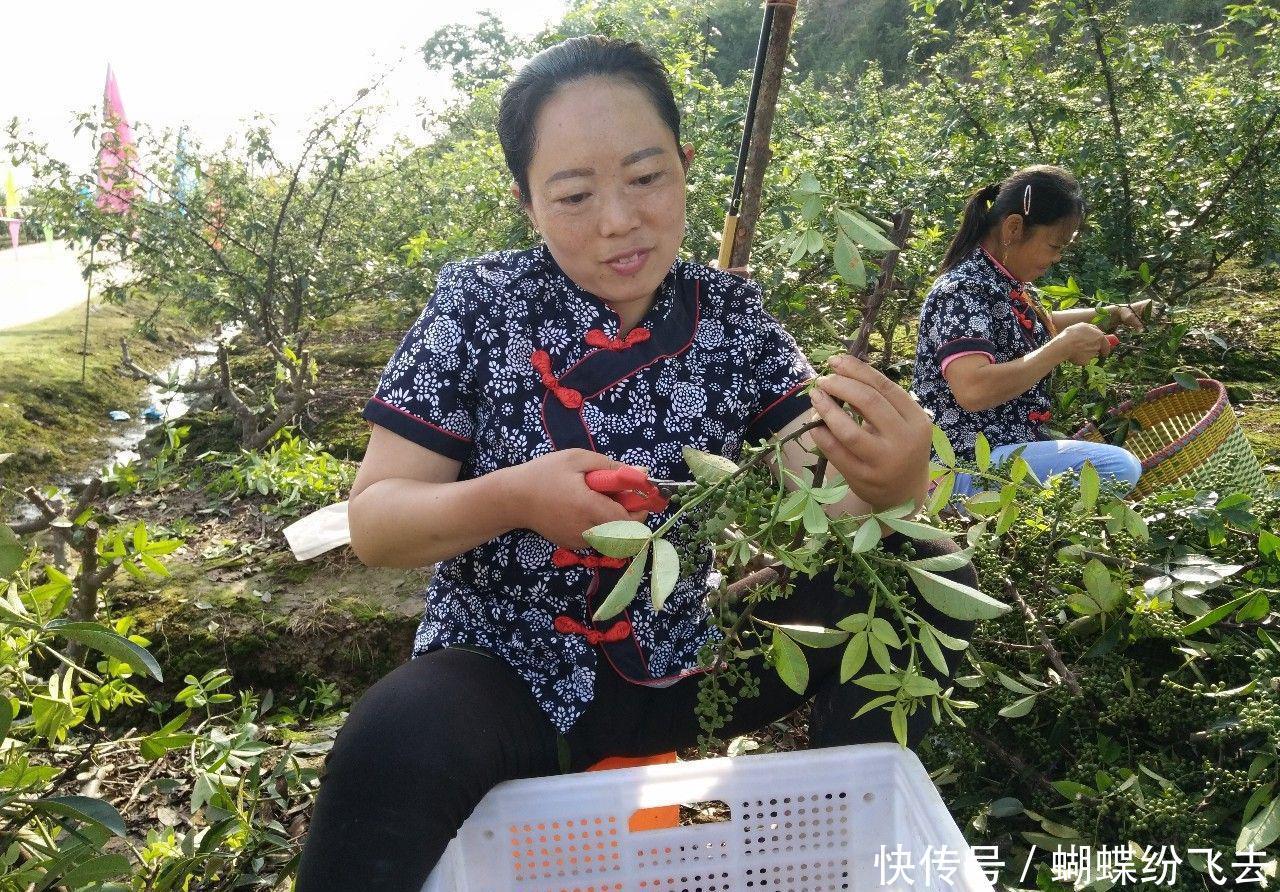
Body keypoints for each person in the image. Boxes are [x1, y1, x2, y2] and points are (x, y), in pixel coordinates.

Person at [295, 36, 976, 892]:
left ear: (686, 167)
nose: (618, 220)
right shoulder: (479, 306)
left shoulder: (731, 318)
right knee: (395, 737)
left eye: (647, 177)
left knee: (919, 568)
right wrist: (513, 498)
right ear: (527, 203)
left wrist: (893, 485)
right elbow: (376, 522)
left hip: (686, 649)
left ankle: (840, 841)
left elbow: (820, 492)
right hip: (509, 665)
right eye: (574, 194)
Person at [913, 165, 1148, 497]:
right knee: (1118, 467)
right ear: (1013, 228)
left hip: (1001, 450)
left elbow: (1040, 322)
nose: (1057, 258)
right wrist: (1062, 348)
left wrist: (1117, 314)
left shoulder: (1001, 282)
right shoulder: (961, 290)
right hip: (961, 464)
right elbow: (972, 389)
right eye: (1054, 246)